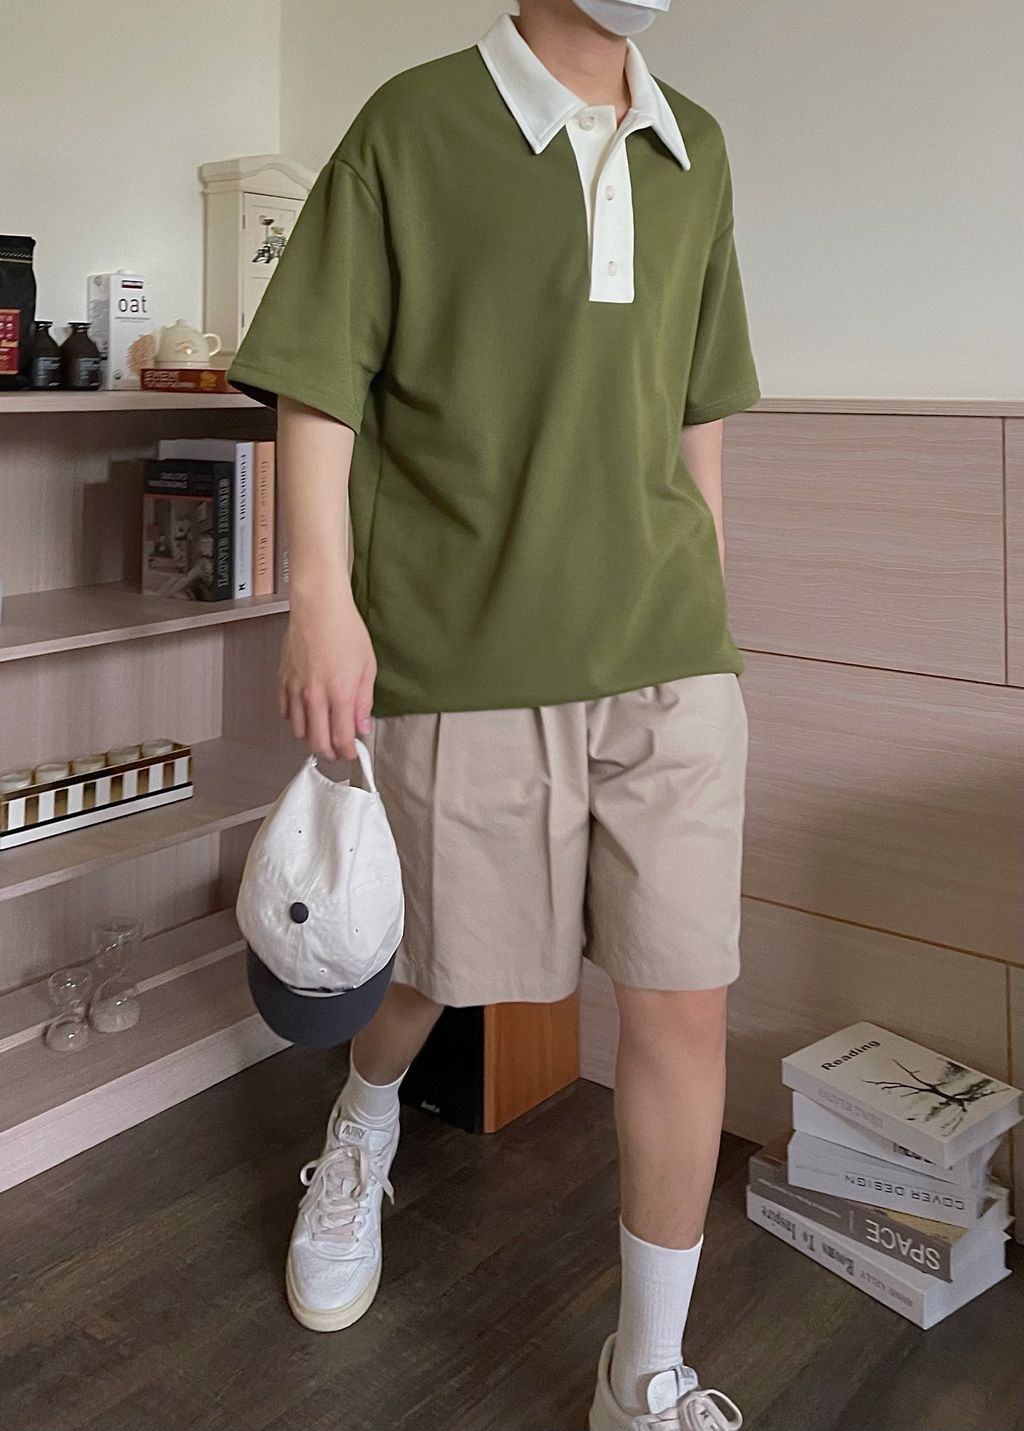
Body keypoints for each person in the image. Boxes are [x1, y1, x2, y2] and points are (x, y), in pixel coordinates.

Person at [228, 1, 759, 1426]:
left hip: (668, 655)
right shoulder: (413, 123)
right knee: (432, 974)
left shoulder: (696, 149)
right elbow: (320, 384)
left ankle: (645, 1377)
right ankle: (362, 1126)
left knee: (683, 998)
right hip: (464, 648)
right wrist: (321, 600)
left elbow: (698, 406)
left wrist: (708, 601)